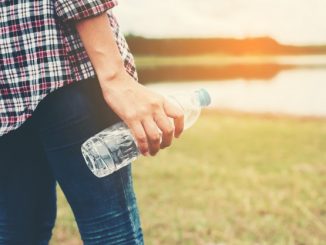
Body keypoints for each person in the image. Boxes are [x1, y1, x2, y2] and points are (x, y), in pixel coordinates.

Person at [0, 0, 184, 244]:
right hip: (64, 64)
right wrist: (113, 75)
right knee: (110, 231)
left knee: (19, 230)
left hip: (7, 87)